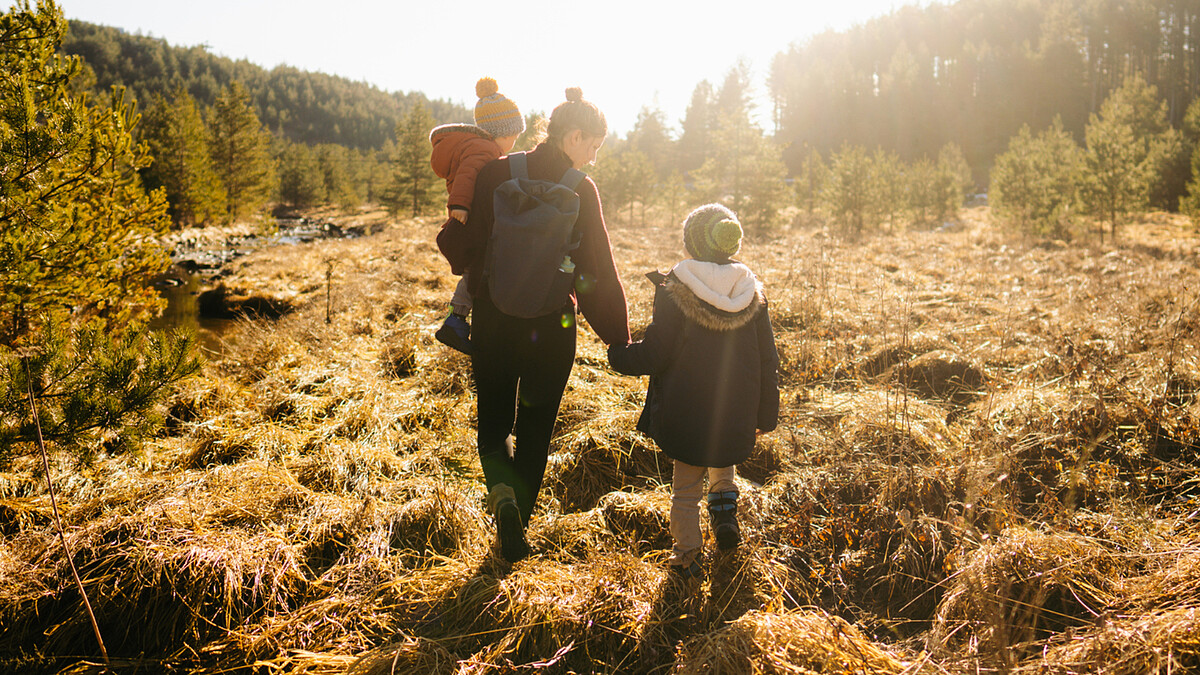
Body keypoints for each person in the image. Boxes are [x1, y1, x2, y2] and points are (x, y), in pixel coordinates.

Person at [439, 87, 630, 562]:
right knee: (536, 431)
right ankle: (516, 527)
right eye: (594, 145)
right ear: (574, 136)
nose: (594, 156)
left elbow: (466, 249)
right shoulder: (581, 188)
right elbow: (597, 274)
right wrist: (619, 339)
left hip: (494, 320)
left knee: (493, 424)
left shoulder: (496, 172)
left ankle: (502, 498)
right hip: (552, 327)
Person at [607, 204, 780, 579]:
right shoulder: (750, 291)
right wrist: (766, 415)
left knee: (685, 490)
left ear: (692, 243)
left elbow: (657, 352)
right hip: (735, 409)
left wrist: (620, 356)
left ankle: (686, 555)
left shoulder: (676, 288)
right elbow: (768, 358)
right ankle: (724, 516)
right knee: (722, 456)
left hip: (685, 410)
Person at [430, 77, 525, 355]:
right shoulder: (483, 149)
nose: (513, 143)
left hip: (470, 214)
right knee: (477, 269)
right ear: (499, 132)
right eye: (513, 137)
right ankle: (455, 321)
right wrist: (459, 205)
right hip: (468, 216)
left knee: (475, 269)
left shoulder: (481, 146)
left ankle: (457, 320)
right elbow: (468, 176)